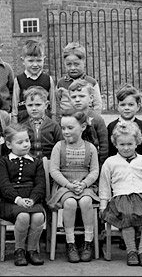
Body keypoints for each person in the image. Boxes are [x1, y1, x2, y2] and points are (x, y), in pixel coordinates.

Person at [99, 122, 142, 268]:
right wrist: (103, 204)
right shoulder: (110, 162)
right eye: (122, 144)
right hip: (121, 196)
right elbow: (105, 185)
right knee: (126, 216)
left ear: (137, 143)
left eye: (130, 144)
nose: (126, 148)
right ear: (115, 144)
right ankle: (131, 251)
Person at [48, 111, 100, 263]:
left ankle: (88, 242)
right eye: (63, 128)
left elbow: (95, 170)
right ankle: (70, 243)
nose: (65, 132)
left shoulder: (90, 148)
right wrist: (68, 185)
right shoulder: (59, 146)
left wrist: (84, 184)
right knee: (70, 203)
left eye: (70, 128)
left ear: (83, 127)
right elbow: (54, 170)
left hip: (85, 185)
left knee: (85, 202)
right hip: (64, 186)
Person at [0, 123, 47, 267]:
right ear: (9, 144)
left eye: (27, 140)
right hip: (11, 202)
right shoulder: (3, 162)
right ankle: (19, 250)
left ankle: (31, 250)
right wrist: (17, 199)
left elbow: (40, 184)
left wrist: (33, 199)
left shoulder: (36, 162)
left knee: (38, 216)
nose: (25, 144)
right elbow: (3, 184)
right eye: (20, 142)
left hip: (32, 199)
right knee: (23, 216)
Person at [6, 86, 62, 160]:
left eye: (38, 105)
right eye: (30, 105)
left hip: (50, 162)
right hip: (29, 163)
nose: (34, 108)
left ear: (46, 105)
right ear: (25, 105)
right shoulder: (23, 127)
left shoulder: (54, 126)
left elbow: (60, 146)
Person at [106, 84, 142, 166]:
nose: (127, 108)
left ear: (138, 106)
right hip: (117, 167)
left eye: (131, 105)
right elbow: (108, 150)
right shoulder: (112, 127)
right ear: (117, 106)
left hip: (139, 167)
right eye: (123, 105)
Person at [11, 40, 56, 123]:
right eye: (31, 61)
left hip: (45, 121)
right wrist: (15, 123)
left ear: (44, 60)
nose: (35, 65)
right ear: (23, 61)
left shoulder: (48, 80)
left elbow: (53, 107)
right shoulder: (19, 80)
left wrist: (53, 123)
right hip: (24, 121)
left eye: (39, 61)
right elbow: (15, 107)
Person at [68, 79, 109, 167]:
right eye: (74, 97)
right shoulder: (67, 119)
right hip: (72, 162)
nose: (77, 100)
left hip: (93, 163)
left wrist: (100, 165)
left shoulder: (97, 120)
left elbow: (104, 146)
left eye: (82, 96)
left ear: (90, 98)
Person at [56, 42, 102, 118]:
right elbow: (57, 104)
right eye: (69, 65)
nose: (72, 68)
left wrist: (93, 120)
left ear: (84, 62)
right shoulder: (61, 83)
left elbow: (97, 105)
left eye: (76, 64)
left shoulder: (91, 82)